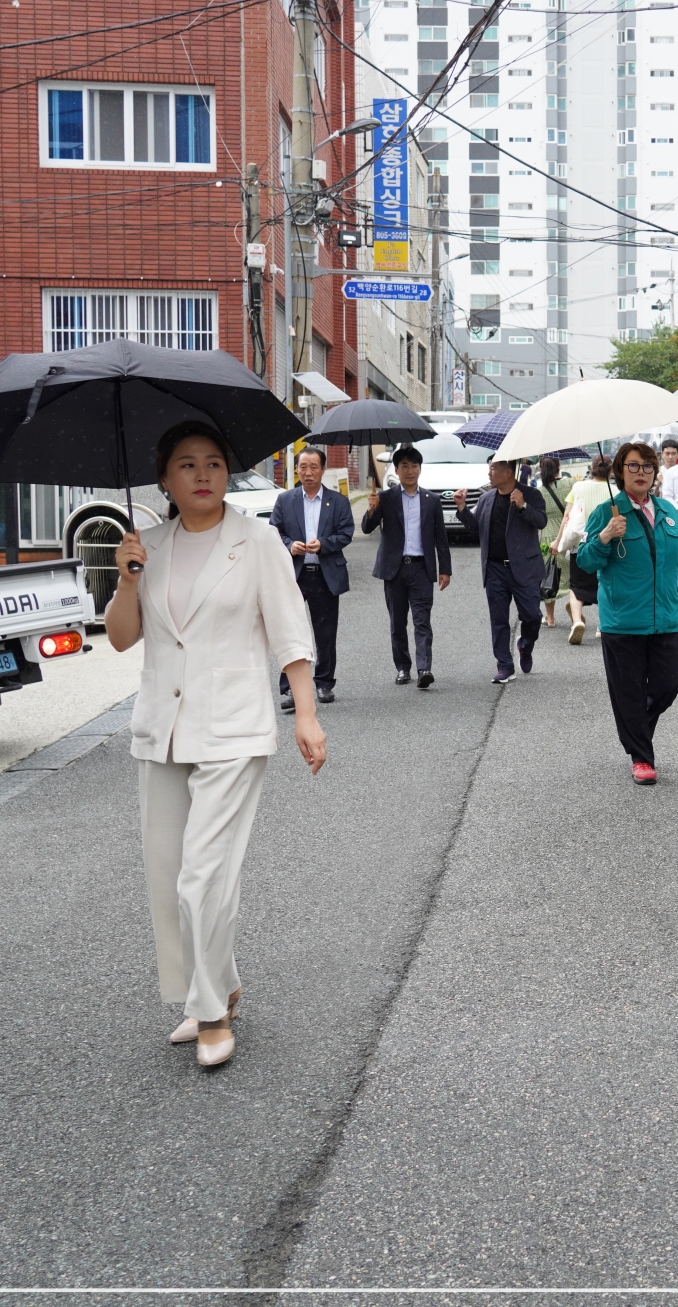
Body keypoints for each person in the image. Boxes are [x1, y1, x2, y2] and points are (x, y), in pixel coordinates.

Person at [107, 420, 325, 1068]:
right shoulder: (147, 545)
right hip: (163, 727)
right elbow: (121, 638)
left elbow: (291, 633)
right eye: (186, 464)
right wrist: (124, 580)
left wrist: (306, 715)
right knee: (169, 875)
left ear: (228, 471)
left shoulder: (257, 541)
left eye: (213, 462)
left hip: (233, 723)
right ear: (165, 478)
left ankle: (207, 1014)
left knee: (204, 874)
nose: (202, 474)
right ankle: (221, 985)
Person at [576, 440, 678, 784]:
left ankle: (635, 731)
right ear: (620, 472)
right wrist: (604, 536)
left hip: (664, 619)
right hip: (622, 621)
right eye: (633, 466)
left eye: (647, 466)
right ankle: (641, 757)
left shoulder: (668, 511)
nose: (641, 473)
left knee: (668, 687)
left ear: (655, 473)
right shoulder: (607, 512)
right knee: (629, 690)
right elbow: (586, 563)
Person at [269, 447, 353, 709]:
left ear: (323, 470)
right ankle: (291, 688)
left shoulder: (337, 501)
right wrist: (289, 545)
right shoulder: (285, 500)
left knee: (325, 633)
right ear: (296, 470)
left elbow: (346, 532)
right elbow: (274, 531)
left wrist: (325, 544)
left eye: (313, 467)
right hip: (294, 574)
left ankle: (325, 683)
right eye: (303, 467)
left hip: (325, 574)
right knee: (291, 632)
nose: (308, 473)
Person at [361, 445, 452, 689]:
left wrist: (445, 569)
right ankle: (403, 667)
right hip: (394, 569)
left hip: (421, 568)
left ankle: (424, 668)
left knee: (422, 620)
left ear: (420, 469)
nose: (410, 471)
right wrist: (371, 510)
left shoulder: (431, 501)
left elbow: (440, 538)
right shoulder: (386, 498)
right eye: (404, 466)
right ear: (397, 470)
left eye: (414, 466)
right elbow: (367, 528)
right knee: (397, 623)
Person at [457, 459, 548, 683]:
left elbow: (542, 521)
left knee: (533, 616)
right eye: (489, 468)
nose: (489, 473)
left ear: (508, 472)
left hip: (524, 568)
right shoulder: (486, 498)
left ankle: (525, 646)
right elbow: (476, 528)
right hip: (495, 569)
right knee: (498, 620)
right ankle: (504, 666)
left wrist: (523, 506)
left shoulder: (531, 494)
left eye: (493, 469)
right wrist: (462, 509)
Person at [554, 454, 613, 645]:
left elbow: (567, 516)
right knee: (605, 584)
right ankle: (601, 626)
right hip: (606, 544)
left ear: (591, 468)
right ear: (611, 471)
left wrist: (558, 541)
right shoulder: (615, 490)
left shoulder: (578, 487)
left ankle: (578, 621)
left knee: (577, 587)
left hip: (581, 544)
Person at [535, 455, 578, 629]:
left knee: (550, 577)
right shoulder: (569, 484)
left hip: (547, 538)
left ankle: (550, 618)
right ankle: (576, 615)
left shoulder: (539, 491)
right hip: (568, 536)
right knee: (572, 578)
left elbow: (537, 519)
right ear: (558, 468)